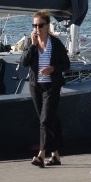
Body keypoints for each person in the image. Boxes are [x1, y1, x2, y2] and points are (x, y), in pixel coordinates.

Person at [21, 10, 70, 168]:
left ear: (47, 26)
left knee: (45, 120)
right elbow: (24, 62)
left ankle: (41, 155)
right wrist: (33, 46)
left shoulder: (55, 44)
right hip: (36, 86)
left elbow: (66, 64)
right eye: (34, 25)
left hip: (51, 86)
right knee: (50, 121)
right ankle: (55, 156)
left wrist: (53, 68)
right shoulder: (32, 43)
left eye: (40, 25)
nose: (37, 28)